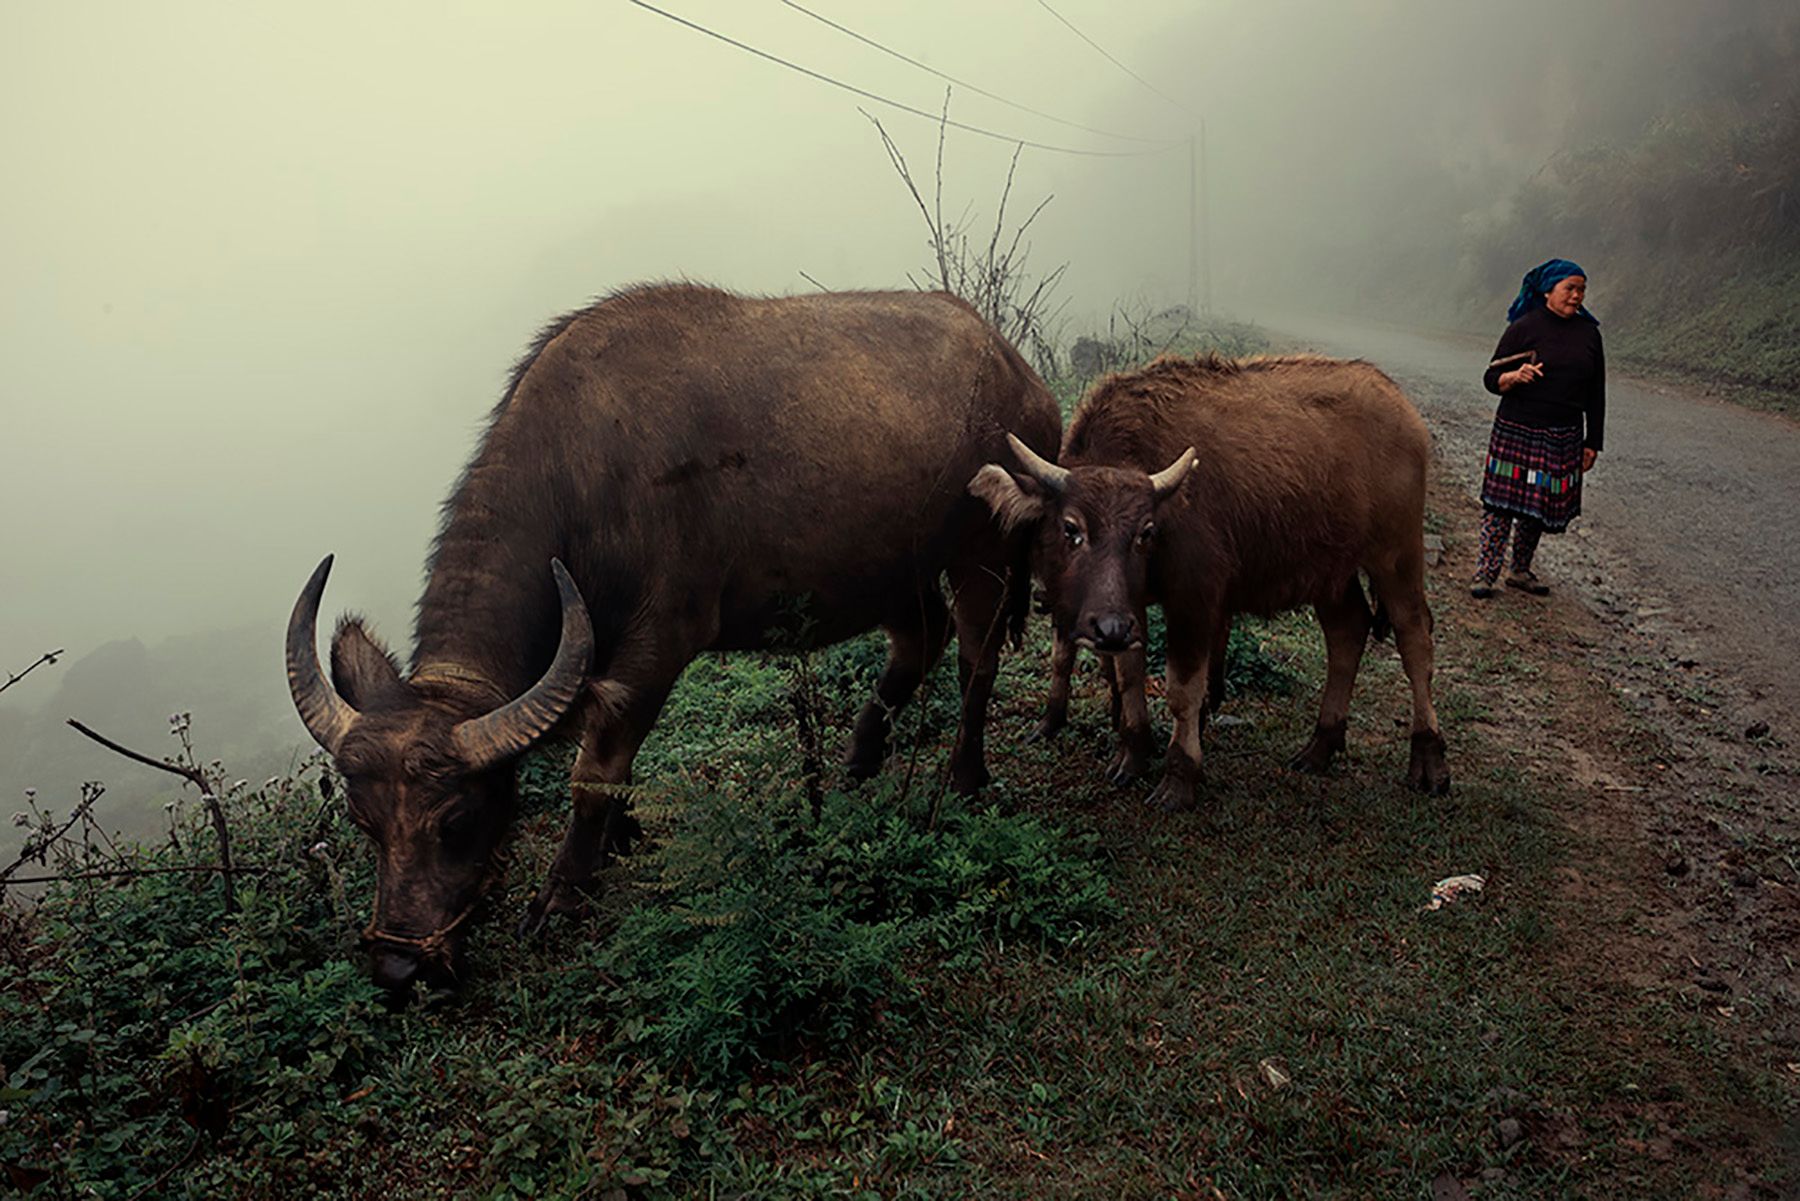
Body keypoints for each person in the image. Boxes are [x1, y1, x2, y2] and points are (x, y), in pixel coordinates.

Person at [1471, 258, 1605, 598]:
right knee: (1501, 503)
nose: (1576, 296)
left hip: (1563, 433)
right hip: (1518, 427)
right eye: (1569, 289)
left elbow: (1596, 392)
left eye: (1581, 290)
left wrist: (1593, 441)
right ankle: (1485, 574)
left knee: (1538, 504)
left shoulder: (1589, 334)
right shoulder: (1524, 327)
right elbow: (1490, 377)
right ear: (1548, 290)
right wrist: (1512, 378)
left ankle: (1519, 571)